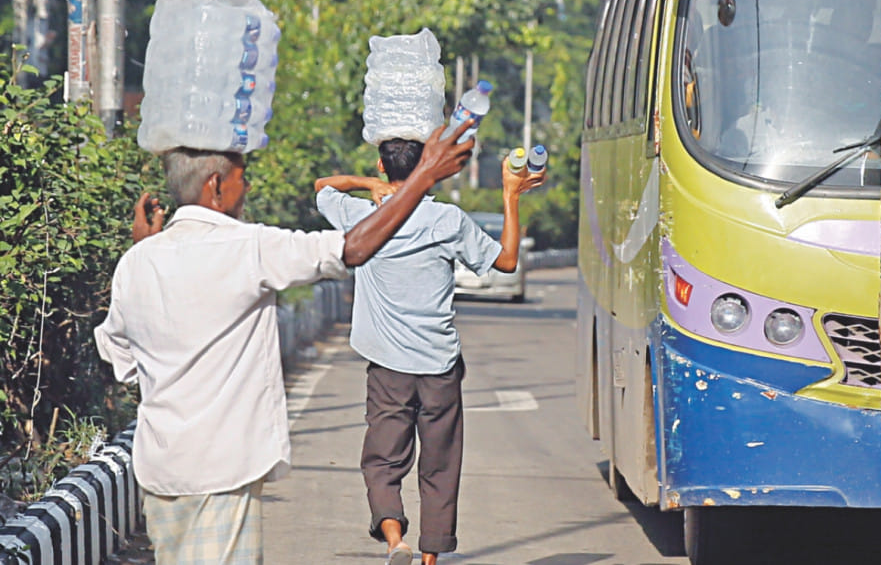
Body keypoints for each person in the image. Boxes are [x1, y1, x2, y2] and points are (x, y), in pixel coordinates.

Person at [93, 122, 474, 565]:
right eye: (242, 178)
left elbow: (121, 359)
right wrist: (423, 178)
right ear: (215, 186)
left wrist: (146, 251)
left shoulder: (136, 262)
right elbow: (351, 249)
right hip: (221, 470)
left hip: (159, 471)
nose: (248, 187)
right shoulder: (248, 247)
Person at [314, 138, 544, 565]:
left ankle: (395, 541)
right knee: (440, 465)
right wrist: (510, 194)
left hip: (388, 367)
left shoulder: (362, 214)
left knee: (383, 460)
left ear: (382, 166)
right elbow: (507, 261)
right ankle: (429, 558)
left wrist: (368, 184)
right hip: (439, 366)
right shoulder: (447, 220)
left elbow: (323, 185)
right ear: (428, 166)